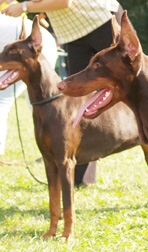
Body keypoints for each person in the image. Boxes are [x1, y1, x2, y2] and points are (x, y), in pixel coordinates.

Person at [2, 0, 122, 185]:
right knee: (78, 99)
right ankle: (81, 177)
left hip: (101, 21)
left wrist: (24, 8)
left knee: (134, 88)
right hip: (74, 35)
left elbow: (65, 1)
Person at [0, 13, 57, 156]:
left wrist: (23, 7)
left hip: (31, 46)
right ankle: (53, 150)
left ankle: (57, 149)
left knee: (42, 105)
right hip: (27, 41)